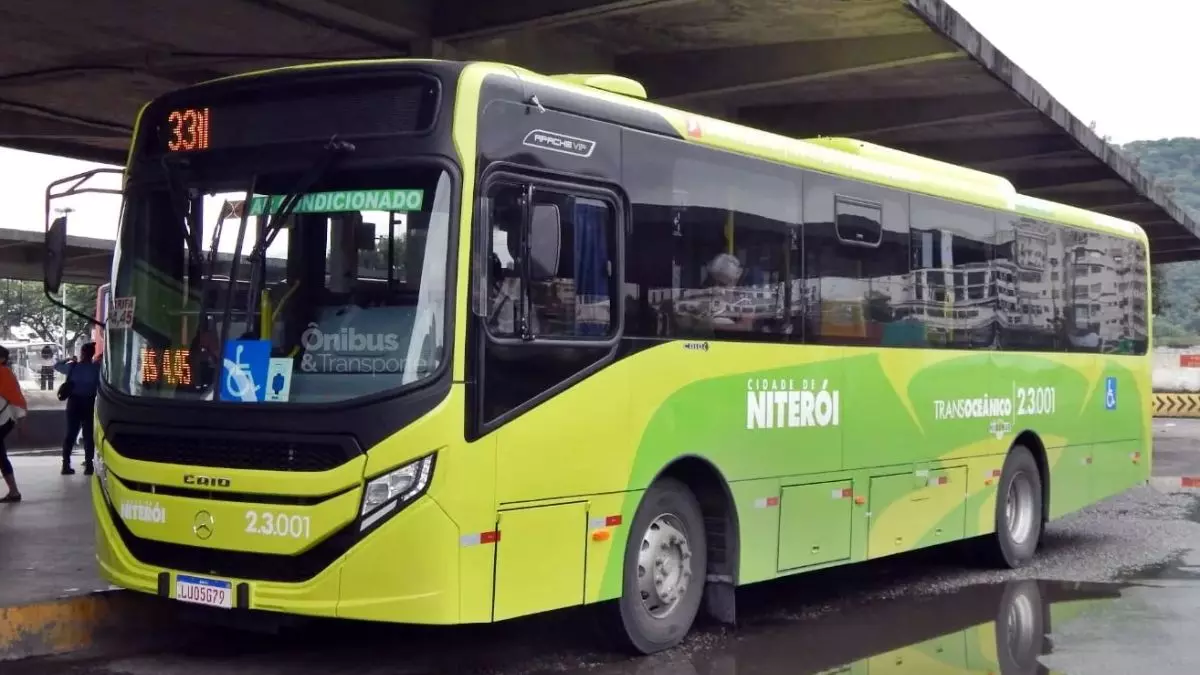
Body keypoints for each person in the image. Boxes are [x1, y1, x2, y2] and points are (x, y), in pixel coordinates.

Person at [55, 342, 100, 476]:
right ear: (92, 353)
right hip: (89, 402)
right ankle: (89, 466)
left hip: (74, 403)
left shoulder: (73, 367)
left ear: (82, 353)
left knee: (71, 434)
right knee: (88, 435)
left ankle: (66, 465)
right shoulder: (96, 368)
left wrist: (68, 359)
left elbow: (56, 366)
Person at [0, 345, 27, 502]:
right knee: (1, 456)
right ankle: (14, 492)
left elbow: (15, 398)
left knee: (1, 456)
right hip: (6, 420)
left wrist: (22, 422)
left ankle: (14, 492)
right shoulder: (6, 373)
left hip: (4, 420)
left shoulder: (3, 373)